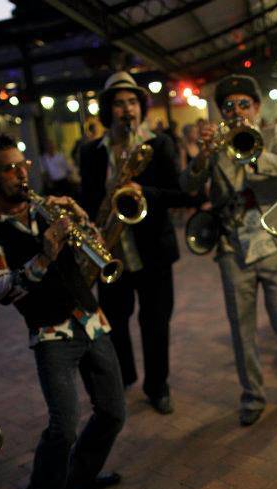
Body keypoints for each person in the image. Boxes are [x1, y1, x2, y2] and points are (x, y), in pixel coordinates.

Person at [0, 135, 125, 489]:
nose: (22, 174)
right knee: (63, 429)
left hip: (91, 321)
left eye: (23, 165)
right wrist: (45, 253)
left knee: (113, 412)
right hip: (51, 334)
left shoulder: (47, 208)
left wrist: (82, 221)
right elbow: (2, 290)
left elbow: (95, 254)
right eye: (9, 168)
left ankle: (79, 477)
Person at [182, 74, 277, 427]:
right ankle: (253, 395)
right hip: (232, 247)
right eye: (228, 106)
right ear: (221, 112)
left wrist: (254, 155)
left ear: (256, 107)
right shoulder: (215, 145)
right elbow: (188, 185)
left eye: (243, 104)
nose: (236, 111)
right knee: (242, 330)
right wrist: (202, 156)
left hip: (273, 243)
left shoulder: (273, 135)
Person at [78, 71, 183, 415]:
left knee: (156, 324)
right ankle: (125, 377)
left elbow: (180, 193)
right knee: (115, 324)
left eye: (132, 102)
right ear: (109, 110)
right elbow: (88, 198)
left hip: (153, 253)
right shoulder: (92, 152)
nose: (127, 109)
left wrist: (145, 193)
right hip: (113, 252)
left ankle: (158, 386)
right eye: (119, 103)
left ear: (141, 107)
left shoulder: (159, 144)